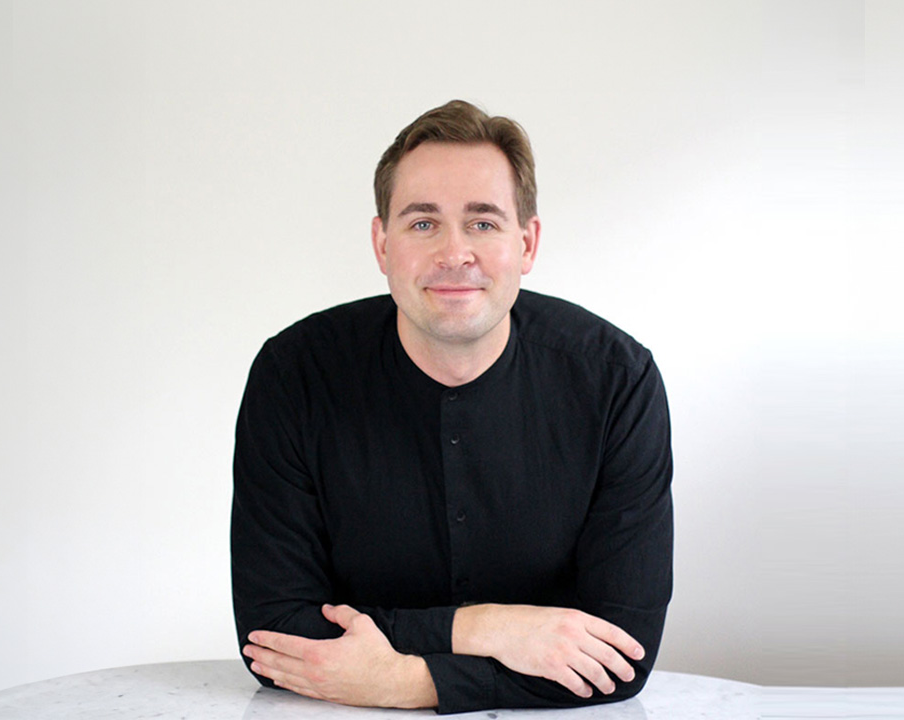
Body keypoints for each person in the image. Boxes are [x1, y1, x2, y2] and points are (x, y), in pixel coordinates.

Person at [231, 100, 673, 714]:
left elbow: (619, 655)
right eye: (422, 223)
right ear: (382, 244)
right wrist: (489, 628)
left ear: (528, 243)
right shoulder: (293, 375)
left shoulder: (618, 381)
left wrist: (405, 682)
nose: (453, 252)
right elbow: (273, 634)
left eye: (483, 223)